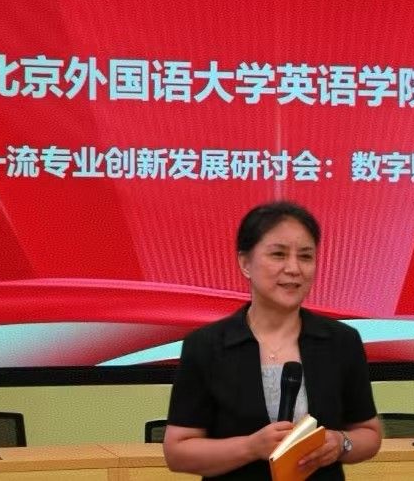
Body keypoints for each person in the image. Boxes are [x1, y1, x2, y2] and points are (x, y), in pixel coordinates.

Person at [163, 201, 381, 480]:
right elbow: (178, 452)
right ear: (245, 263)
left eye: (305, 257)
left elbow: (369, 434)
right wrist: (250, 447)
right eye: (278, 254)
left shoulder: (341, 341)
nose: (294, 268)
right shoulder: (206, 345)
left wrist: (341, 443)